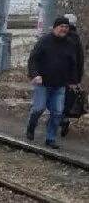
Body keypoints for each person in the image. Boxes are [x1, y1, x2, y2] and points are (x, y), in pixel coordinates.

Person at [26, 16, 80, 148]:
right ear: (55, 27)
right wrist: (35, 75)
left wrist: (74, 81)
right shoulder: (45, 41)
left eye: (66, 27)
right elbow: (33, 59)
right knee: (38, 109)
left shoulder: (69, 44)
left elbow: (73, 64)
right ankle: (31, 126)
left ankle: (50, 139)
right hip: (43, 83)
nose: (64, 29)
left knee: (57, 112)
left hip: (60, 85)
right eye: (61, 26)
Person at [58, 14, 85, 137]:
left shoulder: (62, 37)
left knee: (57, 97)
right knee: (66, 99)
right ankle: (63, 119)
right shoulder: (77, 39)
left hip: (60, 74)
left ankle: (60, 119)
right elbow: (80, 60)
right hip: (72, 77)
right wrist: (78, 79)